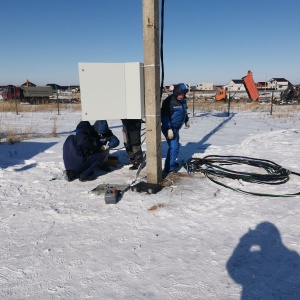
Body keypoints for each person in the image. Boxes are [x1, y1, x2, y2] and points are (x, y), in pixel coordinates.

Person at [161, 83, 190, 174]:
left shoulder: (183, 100)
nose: (181, 96)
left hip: (176, 128)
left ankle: (171, 164)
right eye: (180, 94)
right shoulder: (169, 102)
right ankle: (169, 168)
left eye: (183, 94)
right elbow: (164, 116)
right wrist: (169, 128)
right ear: (176, 93)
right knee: (174, 147)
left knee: (175, 147)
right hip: (169, 128)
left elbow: (184, 111)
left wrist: (186, 120)